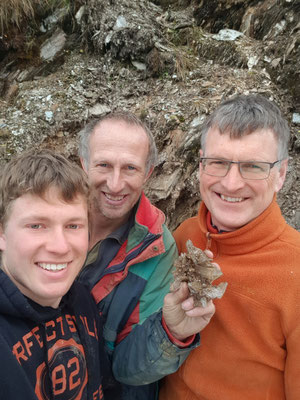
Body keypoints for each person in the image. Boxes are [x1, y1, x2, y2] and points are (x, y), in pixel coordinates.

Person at [159, 94, 300, 400]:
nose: (232, 183)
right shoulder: (183, 236)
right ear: (200, 166)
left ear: (281, 174)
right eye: (218, 163)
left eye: (253, 166)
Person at [77, 112, 215, 399]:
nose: (115, 184)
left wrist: (170, 333)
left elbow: (129, 369)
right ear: (83, 163)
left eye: (130, 168)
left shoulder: (158, 249)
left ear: (148, 172)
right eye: (103, 165)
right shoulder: (43, 218)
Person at [0, 149, 107, 399]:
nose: (60, 246)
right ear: (2, 234)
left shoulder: (81, 299)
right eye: (36, 226)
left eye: (73, 226)